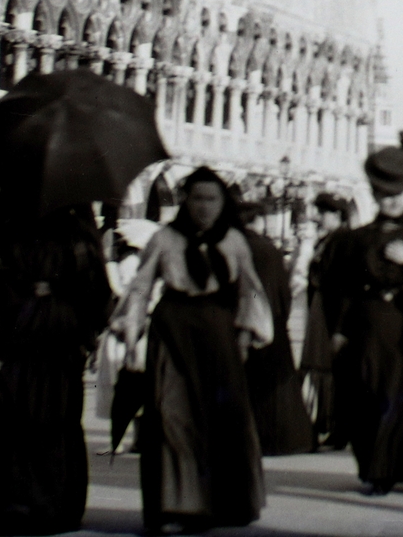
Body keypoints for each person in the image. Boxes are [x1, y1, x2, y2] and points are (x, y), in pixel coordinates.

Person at [110, 167, 272, 533]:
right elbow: (140, 287)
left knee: (221, 418)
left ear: (222, 203)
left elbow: (250, 291)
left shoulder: (233, 241)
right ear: (186, 201)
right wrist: (131, 333)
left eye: (212, 199)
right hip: (172, 329)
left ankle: (222, 503)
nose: (204, 207)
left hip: (218, 333)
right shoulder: (165, 239)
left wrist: (245, 338)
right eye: (197, 198)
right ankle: (176, 504)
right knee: (172, 414)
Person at [0, 190, 113, 534]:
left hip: (53, 332)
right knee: (7, 411)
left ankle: (42, 502)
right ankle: (12, 500)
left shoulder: (77, 229)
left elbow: (96, 288)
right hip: (13, 328)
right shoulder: (10, 218)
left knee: (49, 412)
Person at [329, 131, 403, 496]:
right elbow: (345, 289)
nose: (391, 201)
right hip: (365, 325)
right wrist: (338, 330)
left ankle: (388, 470)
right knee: (365, 393)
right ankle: (371, 465)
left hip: (402, 322)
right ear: (374, 196)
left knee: (396, 393)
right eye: (384, 195)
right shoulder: (357, 239)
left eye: (397, 195)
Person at [239, 202, 313, 456]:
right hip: (275, 321)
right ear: (256, 221)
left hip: (247, 322)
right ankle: (288, 437)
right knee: (278, 384)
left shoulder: (239, 246)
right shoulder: (268, 248)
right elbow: (284, 289)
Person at [301, 191, 351, 450]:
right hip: (321, 305)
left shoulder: (340, 240)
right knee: (324, 366)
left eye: (325, 213)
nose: (319, 217)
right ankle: (328, 422)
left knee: (331, 367)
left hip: (330, 309)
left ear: (338, 216)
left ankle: (335, 426)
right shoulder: (328, 240)